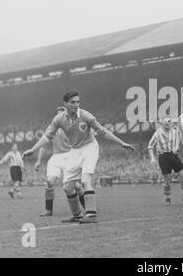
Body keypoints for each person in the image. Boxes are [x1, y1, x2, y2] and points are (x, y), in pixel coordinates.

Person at [23, 91, 134, 224]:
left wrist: (122, 143)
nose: (76, 104)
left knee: (85, 180)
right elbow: (47, 137)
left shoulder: (86, 116)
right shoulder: (58, 119)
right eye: (73, 102)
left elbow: (103, 132)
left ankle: (91, 215)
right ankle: (76, 215)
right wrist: (32, 149)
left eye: (78, 102)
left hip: (89, 147)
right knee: (67, 187)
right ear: (65, 104)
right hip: (74, 151)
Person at [34, 107, 85, 216]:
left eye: (63, 114)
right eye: (59, 115)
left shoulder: (73, 125)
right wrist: (38, 161)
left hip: (69, 156)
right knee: (49, 182)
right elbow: (44, 145)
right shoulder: (51, 128)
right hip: (56, 157)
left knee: (75, 185)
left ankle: (87, 206)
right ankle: (48, 210)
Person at [148, 117, 183, 206]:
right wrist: (152, 158)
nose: (168, 124)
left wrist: (178, 148)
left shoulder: (175, 132)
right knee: (167, 180)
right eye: (166, 122)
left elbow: (180, 140)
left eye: (169, 122)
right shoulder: (157, 133)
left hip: (173, 156)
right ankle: (167, 198)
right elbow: (150, 146)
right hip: (163, 157)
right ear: (162, 123)